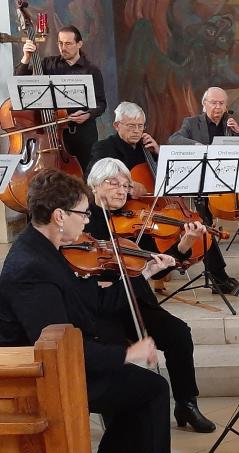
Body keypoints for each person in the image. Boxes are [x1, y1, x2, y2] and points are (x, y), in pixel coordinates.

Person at [0, 169, 170, 452]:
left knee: (144, 393)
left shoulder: (46, 249)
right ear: (59, 216)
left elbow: (91, 300)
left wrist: (143, 273)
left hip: (59, 361)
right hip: (39, 375)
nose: (87, 220)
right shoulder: (31, 267)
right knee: (152, 391)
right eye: (83, 213)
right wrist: (127, 354)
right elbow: (56, 347)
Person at [85, 158, 217, 433]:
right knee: (112, 344)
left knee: (179, 334)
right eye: (113, 184)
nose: (122, 191)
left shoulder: (136, 221)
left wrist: (184, 244)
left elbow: (156, 266)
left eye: (125, 186)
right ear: (94, 185)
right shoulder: (83, 220)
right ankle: (115, 416)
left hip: (136, 301)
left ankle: (186, 403)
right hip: (102, 308)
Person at [88, 101, 239, 293]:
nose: (137, 131)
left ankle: (219, 276)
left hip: (155, 207)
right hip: (128, 214)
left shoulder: (146, 148)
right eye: (131, 126)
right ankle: (159, 268)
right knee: (158, 241)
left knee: (198, 224)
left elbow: (168, 176)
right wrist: (130, 186)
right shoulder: (104, 148)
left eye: (140, 126)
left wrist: (159, 153)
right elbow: (93, 175)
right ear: (117, 125)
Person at [168, 87, 239, 247]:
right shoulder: (192, 123)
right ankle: (207, 230)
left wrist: (237, 134)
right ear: (204, 104)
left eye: (221, 103)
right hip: (205, 173)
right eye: (214, 103)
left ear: (226, 106)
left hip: (228, 172)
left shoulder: (230, 123)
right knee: (202, 190)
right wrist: (196, 145)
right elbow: (174, 139)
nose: (218, 107)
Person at [15, 25, 106, 172]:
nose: (63, 48)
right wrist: (26, 57)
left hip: (82, 134)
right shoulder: (48, 64)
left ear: (79, 44)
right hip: (51, 132)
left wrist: (88, 114)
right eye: (60, 43)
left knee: (84, 174)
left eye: (68, 43)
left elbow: (101, 103)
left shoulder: (91, 70)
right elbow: (19, 81)